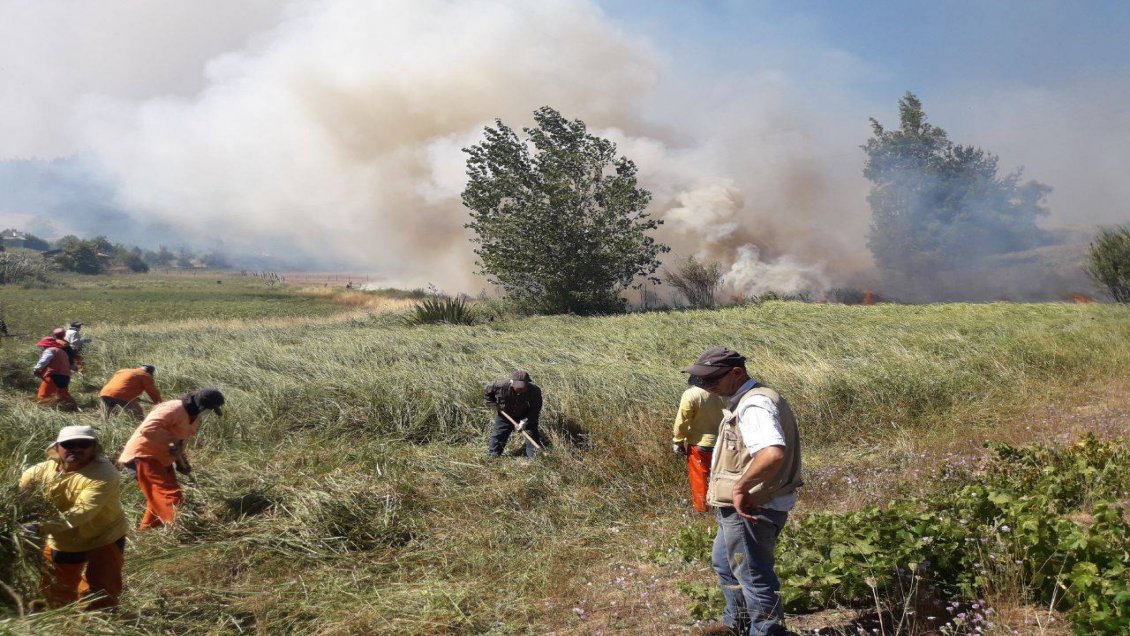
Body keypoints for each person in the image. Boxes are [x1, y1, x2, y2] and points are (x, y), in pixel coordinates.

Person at [684, 348, 802, 636]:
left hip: (752, 506)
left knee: (752, 574)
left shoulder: (755, 406)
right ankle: (737, 624)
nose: (706, 387)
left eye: (712, 381)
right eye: (702, 382)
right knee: (725, 563)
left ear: (736, 373)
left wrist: (741, 487)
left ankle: (766, 631)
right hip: (744, 506)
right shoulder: (750, 400)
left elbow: (772, 453)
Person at [18, 425, 130, 611]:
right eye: (69, 444)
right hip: (63, 540)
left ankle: (101, 624)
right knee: (55, 591)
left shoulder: (104, 474)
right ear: (57, 448)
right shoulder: (38, 472)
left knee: (103, 592)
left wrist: (39, 527)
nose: (76, 449)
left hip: (103, 537)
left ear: (94, 448)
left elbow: (82, 512)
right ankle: (63, 623)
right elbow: (20, 497)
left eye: (84, 444)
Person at [117, 388, 225, 529]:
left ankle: (148, 530)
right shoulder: (173, 408)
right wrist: (172, 441)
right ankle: (183, 531)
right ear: (201, 405)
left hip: (162, 458)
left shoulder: (195, 418)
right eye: (209, 409)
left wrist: (182, 462)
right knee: (170, 496)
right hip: (143, 455)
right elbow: (149, 429)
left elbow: (180, 442)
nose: (208, 412)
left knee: (157, 498)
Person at [672, 380, 725, 513]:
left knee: (700, 478)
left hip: (699, 444)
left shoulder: (691, 394)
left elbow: (682, 421)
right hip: (723, 442)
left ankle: (703, 510)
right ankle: (724, 507)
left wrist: (678, 440)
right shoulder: (724, 392)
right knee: (722, 476)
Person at [484, 370, 543, 458]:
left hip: (525, 414)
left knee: (531, 434)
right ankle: (492, 457)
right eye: (518, 387)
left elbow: (535, 409)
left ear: (528, 383)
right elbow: (487, 393)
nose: (520, 389)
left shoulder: (534, 391)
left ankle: (534, 459)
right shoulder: (499, 385)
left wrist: (525, 421)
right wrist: (493, 405)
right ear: (512, 382)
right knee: (499, 434)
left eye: (523, 387)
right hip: (505, 413)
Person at [32, 336, 77, 410]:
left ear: (46, 345)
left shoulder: (50, 350)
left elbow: (43, 361)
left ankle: (41, 410)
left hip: (53, 375)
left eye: (43, 346)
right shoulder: (63, 352)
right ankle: (72, 408)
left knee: (44, 395)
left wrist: (36, 369)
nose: (43, 347)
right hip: (65, 377)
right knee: (63, 396)